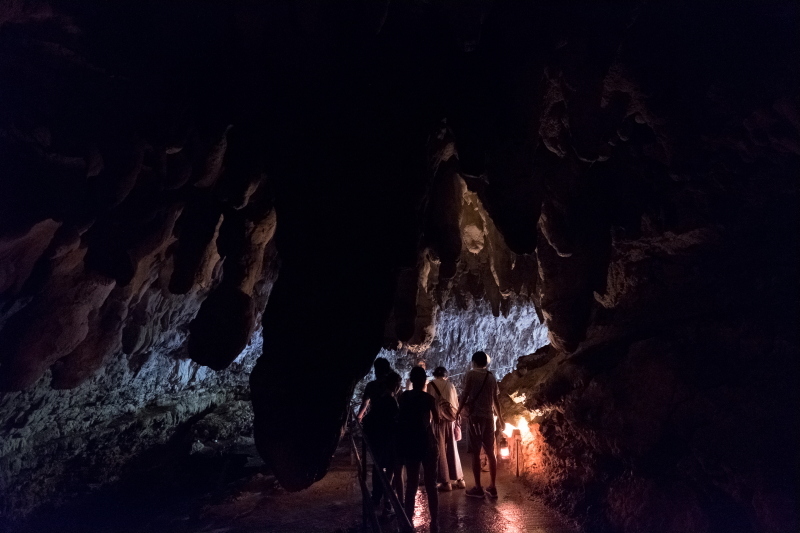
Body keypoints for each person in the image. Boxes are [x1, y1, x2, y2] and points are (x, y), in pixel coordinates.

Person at [398, 366, 440, 533]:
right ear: (423, 381)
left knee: (412, 484)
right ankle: (435, 522)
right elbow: (436, 420)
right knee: (431, 484)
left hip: (410, 443)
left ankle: (408, 520)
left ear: (411, 380)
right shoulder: (428, 399)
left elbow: (400, 418)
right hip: (427, 442)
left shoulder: (403, 397)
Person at [457, 350, 503, 499]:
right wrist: (500, 418)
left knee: (476, 452)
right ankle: (493, 486)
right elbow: (495, 400)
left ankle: (478, 487)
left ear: (474, 362)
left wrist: (458, 411)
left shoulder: (471, 374)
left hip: (476, 417)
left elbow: (465, 394)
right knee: (490, 452)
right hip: (490, 417)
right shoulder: (491, 377)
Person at [364, 371, 404, 516]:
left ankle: (381, 498)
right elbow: (395, 421)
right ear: (395, 385)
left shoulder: (381, 399)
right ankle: (389, 501)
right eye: (399, 384)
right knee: (392, 470)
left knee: (382, 469)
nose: (400, 387)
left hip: (380, 440)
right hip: (389, 441)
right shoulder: (391, 400)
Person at [357, 357, 392, 505]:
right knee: (390, 463)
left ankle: (376, 495)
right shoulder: (392, 384)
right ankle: (389, 496)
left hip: (375, 426)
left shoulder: (371, 385)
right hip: (389, 426)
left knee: (377, 462)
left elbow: (365, 404)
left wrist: (358, 417)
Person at [428, 366, 465, 491]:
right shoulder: (451, 385)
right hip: (451, 420)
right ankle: (459, 479)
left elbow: (430, 403)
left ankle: (445, 482)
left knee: (440, 450)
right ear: (446, 375)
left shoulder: (431, 385)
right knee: (453, 448)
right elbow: (456, 404)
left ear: (434, 375)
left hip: (438, 421)